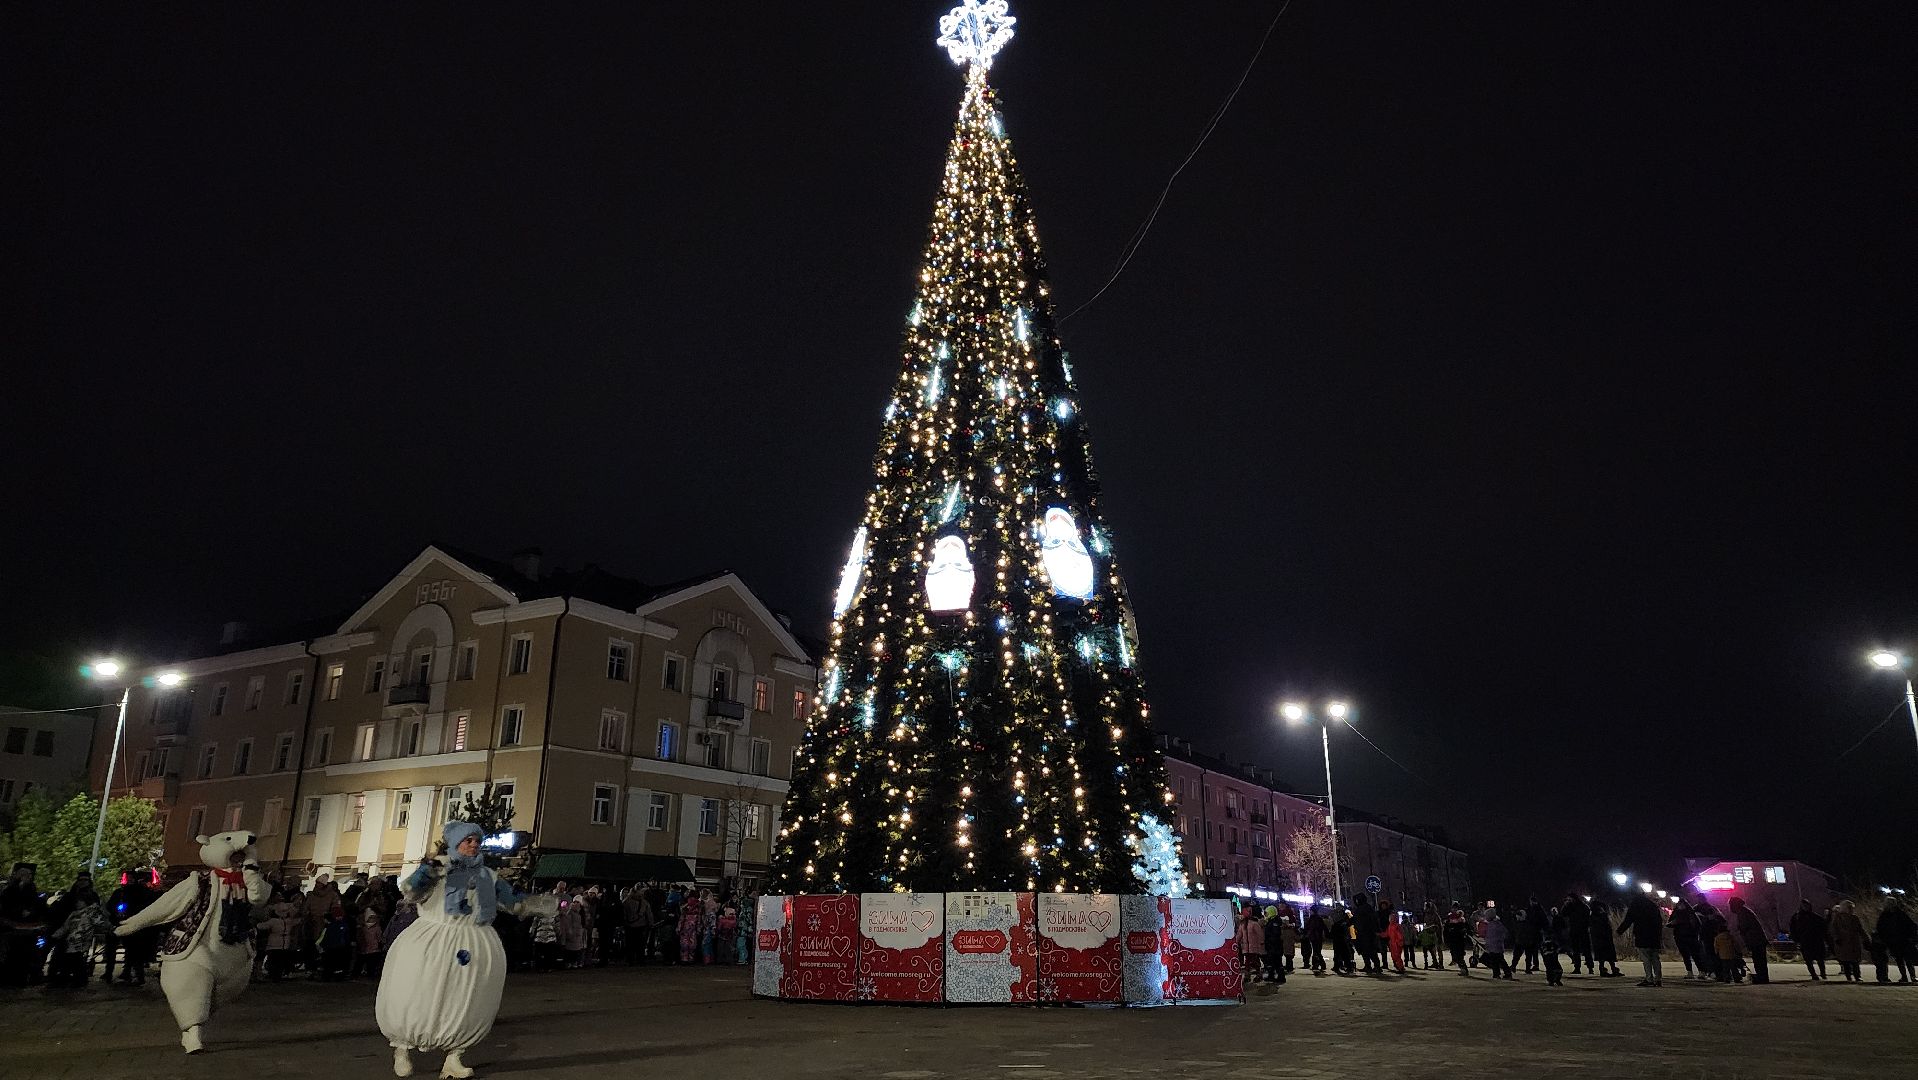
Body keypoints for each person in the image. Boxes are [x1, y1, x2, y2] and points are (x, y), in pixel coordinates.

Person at [377, 821, 556, 1079]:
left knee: (466, 999)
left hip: (474, 942)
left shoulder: (488, 876)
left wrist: (537, 905)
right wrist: (429, 870)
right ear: (455, 842)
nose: (474, 845)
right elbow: (410, 891)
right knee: (418, 993)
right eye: (468, 840)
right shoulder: (438, 868)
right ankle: (402, 1048)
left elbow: (513, 902)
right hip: (433, 940)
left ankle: (454, 1057)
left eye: (477, 841)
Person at [46, 879, 113, 989]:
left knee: (76, 961)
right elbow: (66, 926)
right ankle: (68, 978)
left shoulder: (91, 911)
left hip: (80, 941)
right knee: (71, 961)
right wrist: (57, 934)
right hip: (71, 941)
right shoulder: (74, 913)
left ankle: (77, 980)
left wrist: (111, 928)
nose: (77, 903)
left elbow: (101, 922)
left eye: (79, 901)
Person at [1616, 890, 1665, 986]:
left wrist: (1619, 931)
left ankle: (1649, 979)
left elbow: (1628, 919)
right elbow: (1659, 922)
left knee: (1646, 958)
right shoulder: (1652, 906)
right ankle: (1658, 979)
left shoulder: (1635, 905)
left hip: (1642, 934)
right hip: (1654, 936)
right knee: (1655, 957)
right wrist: (1659, 935)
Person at [261, 887, 302, 981]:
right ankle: (274, 974)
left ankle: (278, 974)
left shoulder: (288, 921)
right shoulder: (274, 921)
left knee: (280, 959)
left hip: (284, 943)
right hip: (275, 943)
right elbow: (262, 926)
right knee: (274, 959)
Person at [1729, 897, 1768, 984]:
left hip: (1756, 940)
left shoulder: (1743, 913)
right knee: (1759, 960)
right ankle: (1762, 976)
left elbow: (1744, 927)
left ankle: (1762, 977)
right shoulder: (1744, 911)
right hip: (1757, 940)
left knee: (1759, 960)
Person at [1875, 900, 1917, 984]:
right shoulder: (1889, 915)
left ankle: (1911, 976)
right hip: (1895, 941)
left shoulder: (1897, 914)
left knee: (1906, 959)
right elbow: (1880, 928)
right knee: (1900, 959)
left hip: (1902, 940)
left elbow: (1911, 925)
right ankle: (1905, 976)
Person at [1787, 900, 1829, 980]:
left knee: (1820, 959)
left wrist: (1823, 937)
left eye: (1807, 905)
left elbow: (1823, 927)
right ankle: (1813, 974)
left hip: (1816, 941)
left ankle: (1823, 973)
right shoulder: (1797, 917)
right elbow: (1793, 929)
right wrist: (1796, 939)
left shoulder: (1815, 917)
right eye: (1804, 906)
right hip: (1805, 941)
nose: (1806, 907)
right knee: (1808, 960)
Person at [1828, 900, 1868, 982]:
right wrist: (1836, 938)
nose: (1851, 910)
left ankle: (1857, 976)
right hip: (1843, 942)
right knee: (1846, 960)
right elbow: (1833, 929)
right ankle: (1849, 976)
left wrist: (1866, 938)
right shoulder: (1838, 918)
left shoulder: (1854, 918)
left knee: (1855, 960)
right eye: (1850, 908)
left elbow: (1860, 929)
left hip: (1854, 942)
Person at [1668, 899, 1703, 979]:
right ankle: (1690, 971)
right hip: (1680, 937)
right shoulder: (1676, 913)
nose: (1680, 906)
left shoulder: (1690, 913)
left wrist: (1694, 933)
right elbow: (1669, 923)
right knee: (1685, 955)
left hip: (1690, 937)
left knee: (1695, 955)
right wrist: (1673, 923)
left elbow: (1697, 924)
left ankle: (1701, 971)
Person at [1588, 898, 1622, 977]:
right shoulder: (1598, 916)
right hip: (1602, 938)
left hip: (1602, 938)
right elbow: (1603, 926)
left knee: (1605, 955)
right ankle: (1605, 969)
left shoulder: (1594, 916)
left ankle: (1610, 969)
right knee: (1604, 955)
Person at [1479, 906, 1513, 979]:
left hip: (1493, 946)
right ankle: (1506, 973)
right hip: (1498, 946)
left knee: (1495, 961)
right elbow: (1505, 932)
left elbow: (1488, 936)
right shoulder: (1498, 924)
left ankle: (1498, 974)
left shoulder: (1490, 925)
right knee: (1500, 960)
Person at [1350, 895, 1380, 975]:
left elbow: (1372, 920)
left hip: (1366, 933)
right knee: (1366, 950)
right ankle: (1370, 966)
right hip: (1363, 932)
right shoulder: (1365, 908)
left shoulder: (1364, 909)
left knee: (1369, 950)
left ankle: (1374, 966)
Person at [1236, 906, 1266, 981]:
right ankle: (1248, 975)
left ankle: (1258, 974)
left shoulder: (1253, 924)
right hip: (1246, 947)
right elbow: (1239, 934)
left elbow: (1260, 934)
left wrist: (1261, 942)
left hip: (1254, 947)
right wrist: (1236, 942)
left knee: (1255, 961)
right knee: (1248, 962)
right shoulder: (1243, 925)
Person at [1541, 906, 1566, 986]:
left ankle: (1555, 979)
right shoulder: (1548, 941)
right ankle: (1552, 980)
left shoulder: (1552, 940)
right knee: (1551, 968)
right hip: (1549, 956)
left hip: (1552, 955)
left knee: (1556, 968)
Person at [1443, 908, 1471, 976]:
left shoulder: (1456, 926)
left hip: (1457, 943)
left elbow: (1447, 933)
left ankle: (1464, 969)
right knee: (1458, 956)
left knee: (1459, 957)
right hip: (1457, 943)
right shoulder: (1458, 925)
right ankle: (1463, 969)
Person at [1303, 906, 1327, 973]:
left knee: (1316, 952)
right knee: (1317, 951)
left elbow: (1311, 928)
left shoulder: (1314, 918)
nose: (1309, 912)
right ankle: (1320, 964)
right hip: (1317, 937)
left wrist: (1307, 934)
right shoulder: (1317, 918)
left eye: (1310, 910)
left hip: (1315, 937)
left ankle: (1318, 964)